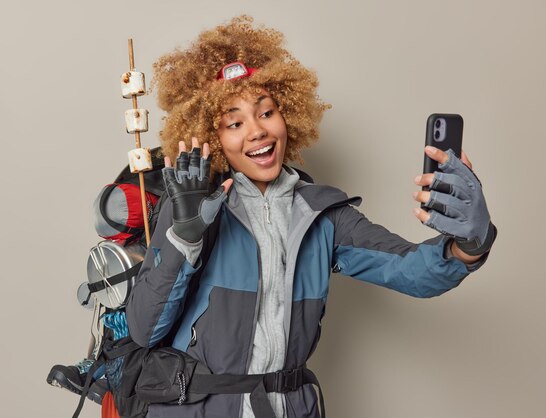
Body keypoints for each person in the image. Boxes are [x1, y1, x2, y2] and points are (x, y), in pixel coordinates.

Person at [125, 15, 497, 418]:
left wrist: (469, 243)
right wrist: (185, 239)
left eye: (266, 113)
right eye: (234, 123)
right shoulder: (192, 208)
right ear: (215, 140)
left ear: (288, 116)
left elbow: (411, 271)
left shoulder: (322, 215)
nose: (256, 132)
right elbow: (145, 330)